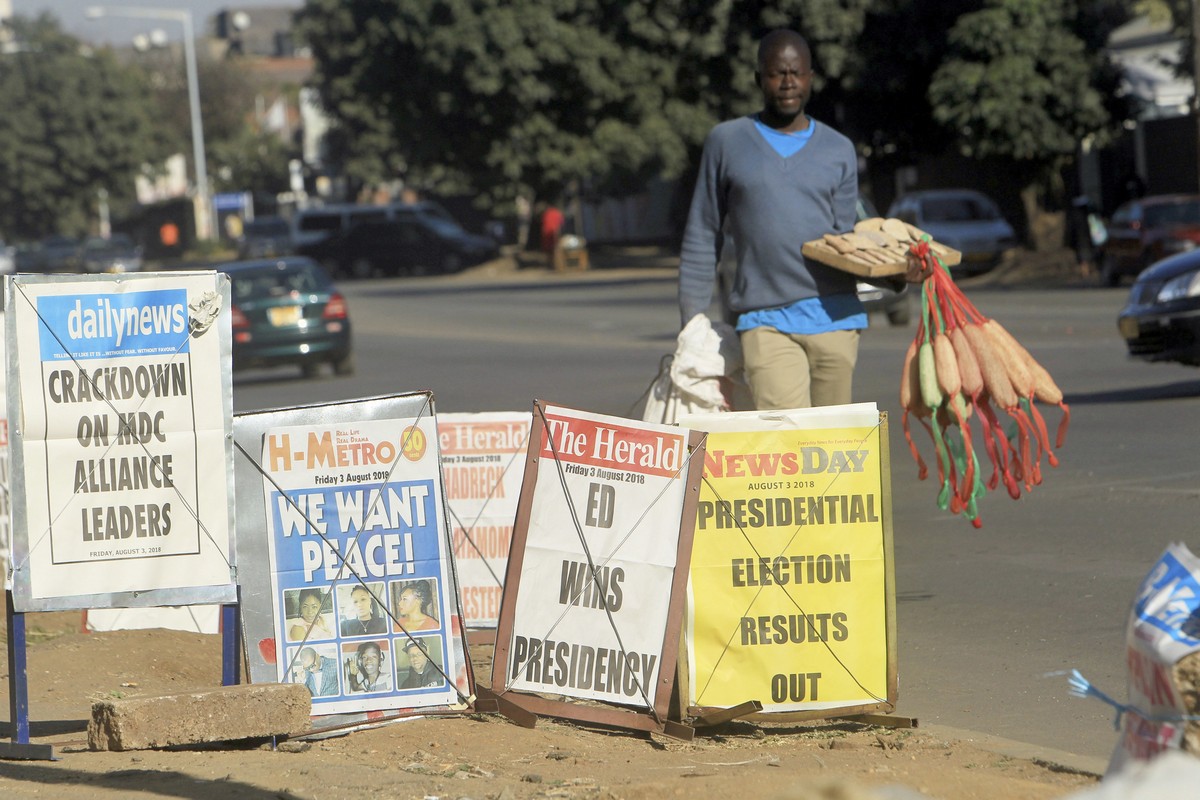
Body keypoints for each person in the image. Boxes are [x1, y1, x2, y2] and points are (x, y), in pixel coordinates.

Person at [677, 29, 929, 411]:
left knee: (830, 450)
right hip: (766, 321)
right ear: (758, 78)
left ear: (811, 77)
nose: (788, 82)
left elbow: (850, 243)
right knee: (787, 443)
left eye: (797, 72)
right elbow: (701, 233)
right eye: (777, 73)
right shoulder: (727, 142)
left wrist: (898, 273)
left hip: (837, 320)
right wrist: (691, 323)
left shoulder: (838, 150)